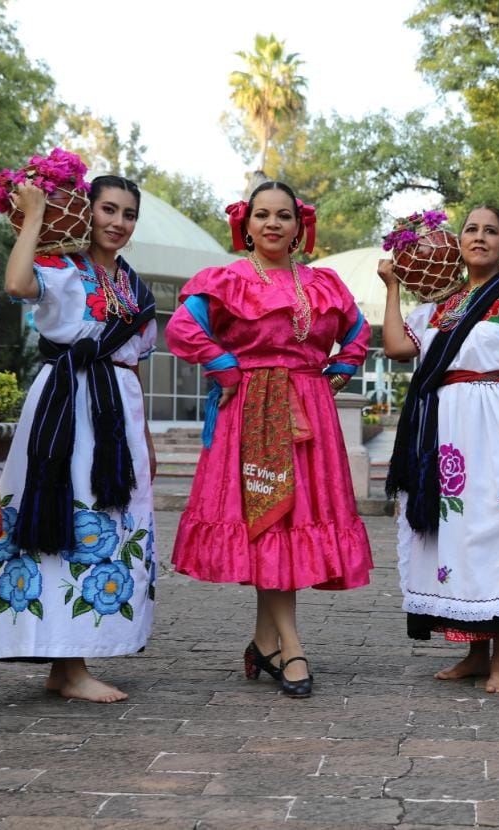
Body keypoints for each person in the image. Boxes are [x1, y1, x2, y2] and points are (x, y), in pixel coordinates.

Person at [165, 180, 373, 699]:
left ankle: (265, 641)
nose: (273, 224)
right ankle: (291, 644)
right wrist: (226, 368)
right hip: (252, 412)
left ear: (299, 226)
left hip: (309, 412)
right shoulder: (227, 279)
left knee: (289, 521)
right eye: (262, 215)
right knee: (269, 519)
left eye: (284, 215)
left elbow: (357, 334)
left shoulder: (323, 283)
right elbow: (182, 329)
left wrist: (335, 376)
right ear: (247, 223)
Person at [0, 175, 157, 703]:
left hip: (116, 411)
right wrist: (34, 213)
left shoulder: (134, 287)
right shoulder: (63, 267)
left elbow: (134, 363)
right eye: (108, 209)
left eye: (128, 214)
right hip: (66, 404)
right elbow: (14, 284)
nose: (117, 223)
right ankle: (67, 664)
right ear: (86, 210)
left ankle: (68, 664)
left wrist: (144, 436)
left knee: (106, 520)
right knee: (66, 515)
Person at [382, 206, 499, 694]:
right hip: (444, 430)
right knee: (456, 537)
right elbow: (398, 346)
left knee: (498, 533)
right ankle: (473, 652)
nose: (480, 237)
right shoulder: (442, 303)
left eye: (491, 231)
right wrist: (393, 285)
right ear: (458, 241)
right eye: (471, 229)